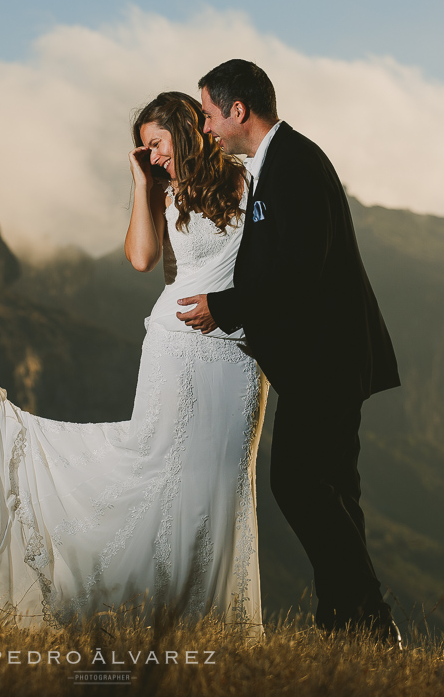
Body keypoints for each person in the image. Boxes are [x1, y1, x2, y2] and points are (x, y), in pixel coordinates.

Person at [0, 93, 268, 632]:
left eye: (157, 143)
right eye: (144, 148)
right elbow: (143, 258)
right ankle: (156, 614)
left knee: (225, 479)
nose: (152, 154)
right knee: (159, 469)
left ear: (185, 130)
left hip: (237, 352)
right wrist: (142, 184)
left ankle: (215, 620)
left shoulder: (247, 181)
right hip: (174, 348)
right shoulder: (166, 189)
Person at [175, 59, 402, 646]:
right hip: (324, 358)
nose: (205, 127)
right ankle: (347, 621)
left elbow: (300, 268)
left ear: (237, 111)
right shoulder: (275, 164)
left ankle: (369, 618)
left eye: (207, 114)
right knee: (334, 489)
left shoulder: (296, 163)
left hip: (325, 360)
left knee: (298, 485)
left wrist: (224, 308)